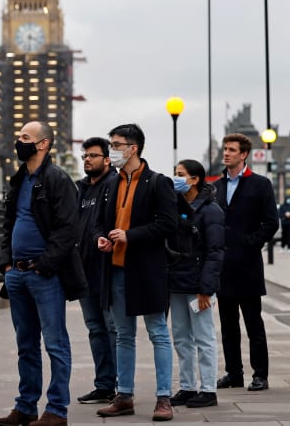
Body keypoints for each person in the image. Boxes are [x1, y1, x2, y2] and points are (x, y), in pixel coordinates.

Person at [0, 121, 87, 426]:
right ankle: (26, 406)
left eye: (24, 138)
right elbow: (8, 223)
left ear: (43, 144)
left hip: (45, 275)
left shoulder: (58, 180)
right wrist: (7, 264)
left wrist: (44, 265)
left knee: (55, 344)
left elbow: (68, 229)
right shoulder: (19, 179)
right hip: (17, 275)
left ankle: (57, 410)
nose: (18, 142)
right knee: (26, 345)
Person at [93, 123, 177, 422]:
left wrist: (131, 235)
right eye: (111, 144)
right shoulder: (111, 183)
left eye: (116, 144)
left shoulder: (158, 182)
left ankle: (164, 398)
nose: (111, 150)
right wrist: (102, 237)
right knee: (123, 336)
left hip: (147, 270)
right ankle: (124, 394)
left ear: (133, 148)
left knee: (158, 333)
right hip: (116, 268)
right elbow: (101, 222)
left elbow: (168, 224)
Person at [212, 133, 278, 392]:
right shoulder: (216, 186)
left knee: (254, 324)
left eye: (231, 150)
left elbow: (271, 222)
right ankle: (234, 373)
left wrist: (250, 243)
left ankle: (260, 374)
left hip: (248, 264)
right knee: (228, 326)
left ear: (243, 154)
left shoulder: (260, 184)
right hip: (223, 267)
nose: (226, 153)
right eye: (224, 149)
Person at [167, 159, 224, 408]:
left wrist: (206, 289)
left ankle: (208, 389)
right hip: (177, 282)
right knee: (180, 337)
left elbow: (215, 252)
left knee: (203, 337)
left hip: (197, 285)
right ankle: (188, 386)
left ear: (195, 179)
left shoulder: (211, 211)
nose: (177, 178)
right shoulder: (174, 205)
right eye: (175, 174)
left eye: (181, 175)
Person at [75, 137, 118, 405]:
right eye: (85, 156)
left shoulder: (114, 185)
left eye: (93, 155)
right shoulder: (81, 189)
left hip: (108, 270)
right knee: (95, 329)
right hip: (84, 271)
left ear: (107, 159)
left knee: (114, 328)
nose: (87, 160)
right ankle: (103, 384)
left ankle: (120, 385)